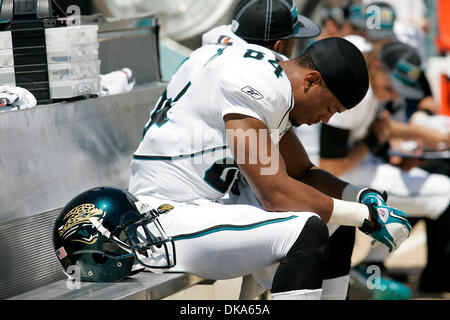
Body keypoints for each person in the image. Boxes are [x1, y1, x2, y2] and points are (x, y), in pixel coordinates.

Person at [128, 7, 412, 298]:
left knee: (336, 220)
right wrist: (365, 217)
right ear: (311, 81)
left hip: (205, 206)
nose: (326, 119)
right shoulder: (259, 83)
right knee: (305, 231)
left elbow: (301, 172)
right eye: (330, 108)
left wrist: (363, 196)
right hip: (162, 219)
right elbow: (275, 194)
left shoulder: (275, 73)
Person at [297, 36, 450, 297]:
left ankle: (376, 264)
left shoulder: (370, 84)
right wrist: (375, 141)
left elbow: (382, 130)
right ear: (376, 65)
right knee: (444, 191)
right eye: (391, 88)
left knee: (422, 182)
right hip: (323, 173)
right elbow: (332, 165)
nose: (393, 95)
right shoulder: (359, 94)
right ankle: (432, 278)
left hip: (348, 165)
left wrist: (414, 140)